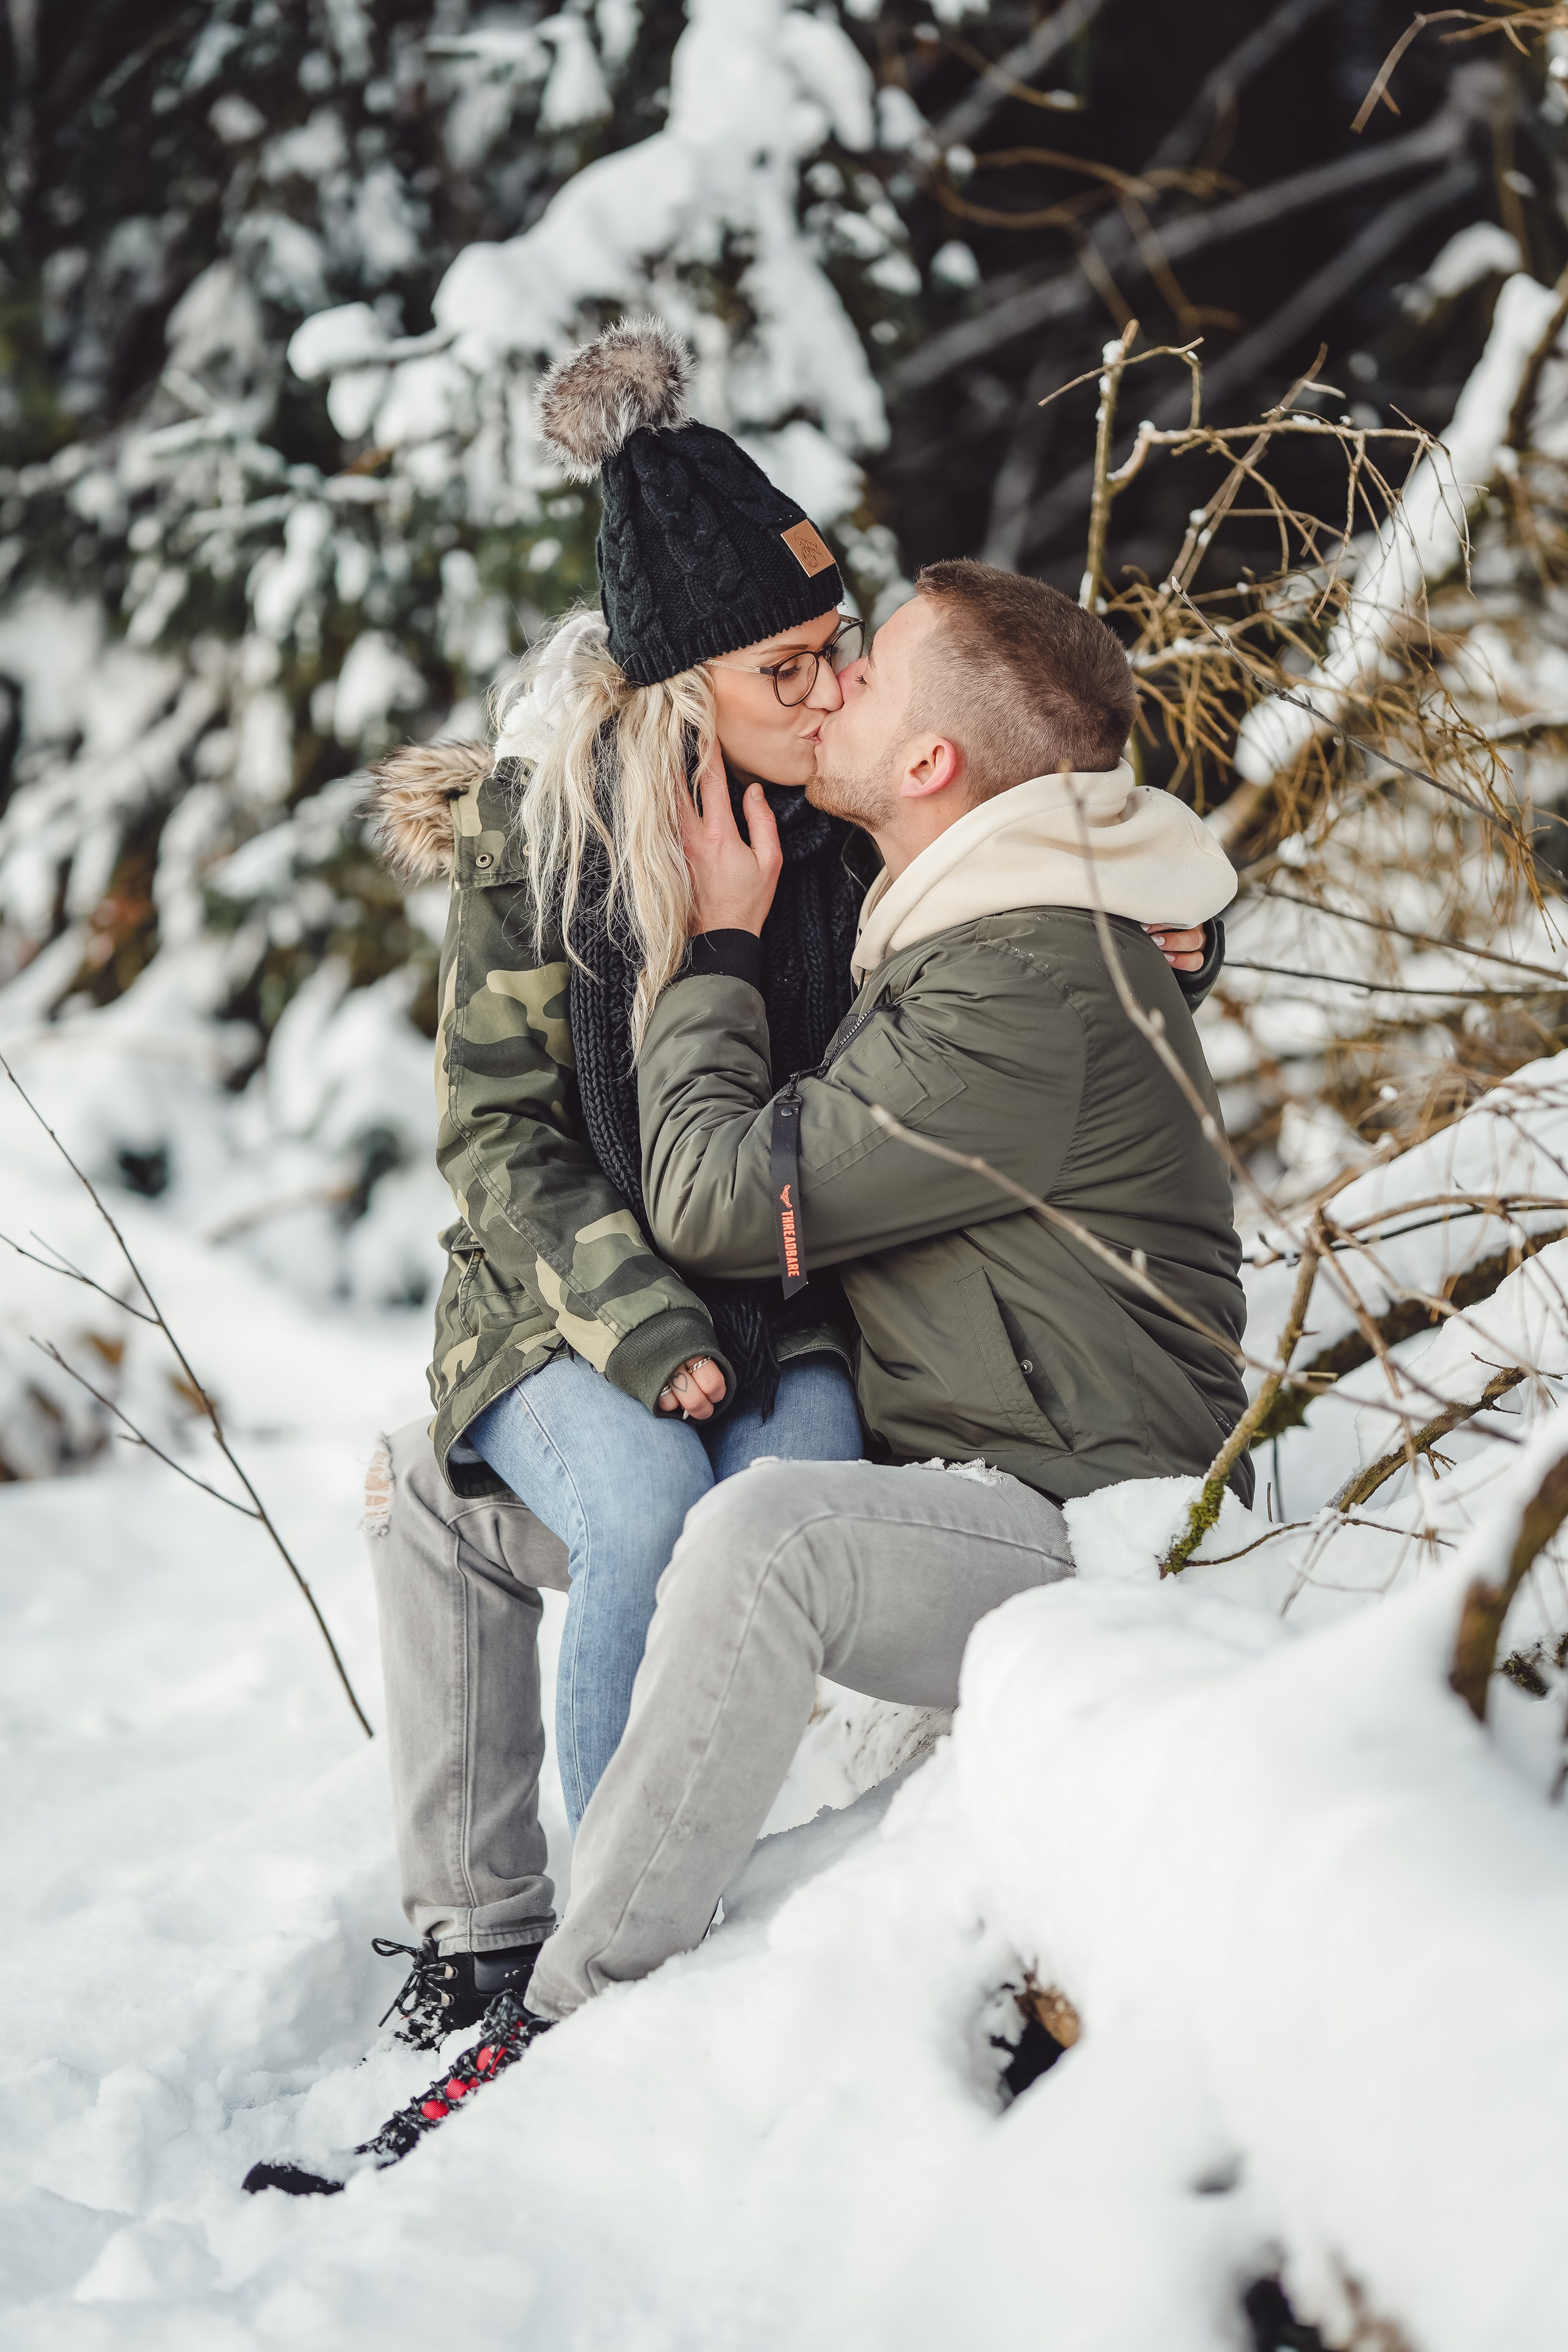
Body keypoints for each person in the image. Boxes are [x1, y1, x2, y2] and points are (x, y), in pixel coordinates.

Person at [247, 550, 1246, 2198]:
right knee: (457, 1492)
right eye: (812, 662)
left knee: (759, 1536)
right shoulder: (954, 887)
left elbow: (721, 1194)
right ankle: (474, 1928)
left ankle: (578, 2001)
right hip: (968, 1451)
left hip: (1078, 1503)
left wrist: (715, 946)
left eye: (864, 670)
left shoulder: (1019, 966)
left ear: (928, 767)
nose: (832, 682)